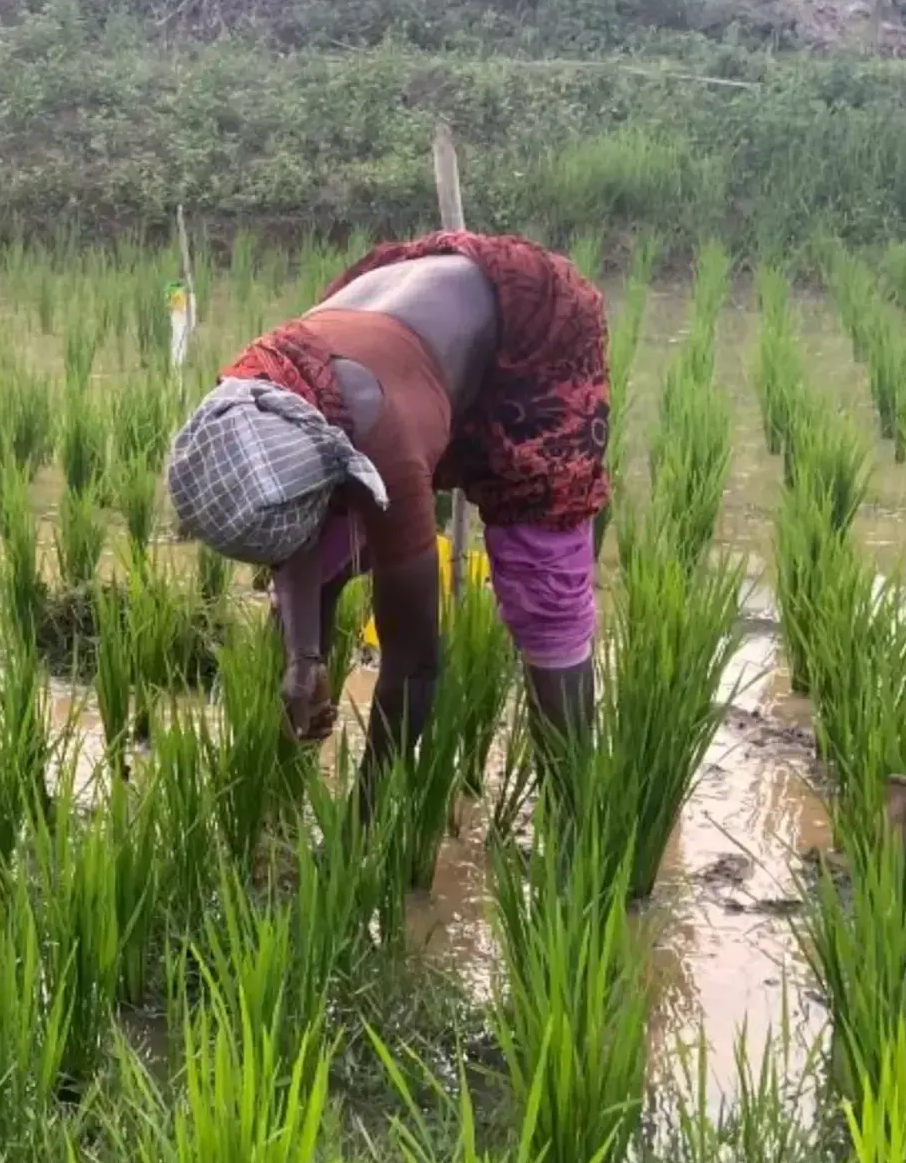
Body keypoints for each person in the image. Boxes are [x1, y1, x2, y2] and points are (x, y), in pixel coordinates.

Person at [166, 232, 610, 778]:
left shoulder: (387, 448)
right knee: (329, 546)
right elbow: (294, 535)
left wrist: (368, 813)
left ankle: (573, 796)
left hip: (528, 326)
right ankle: (286, 759)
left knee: (541, 576)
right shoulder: (245, 400)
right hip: (395, 326)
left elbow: (415, 665)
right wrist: (303, 657)